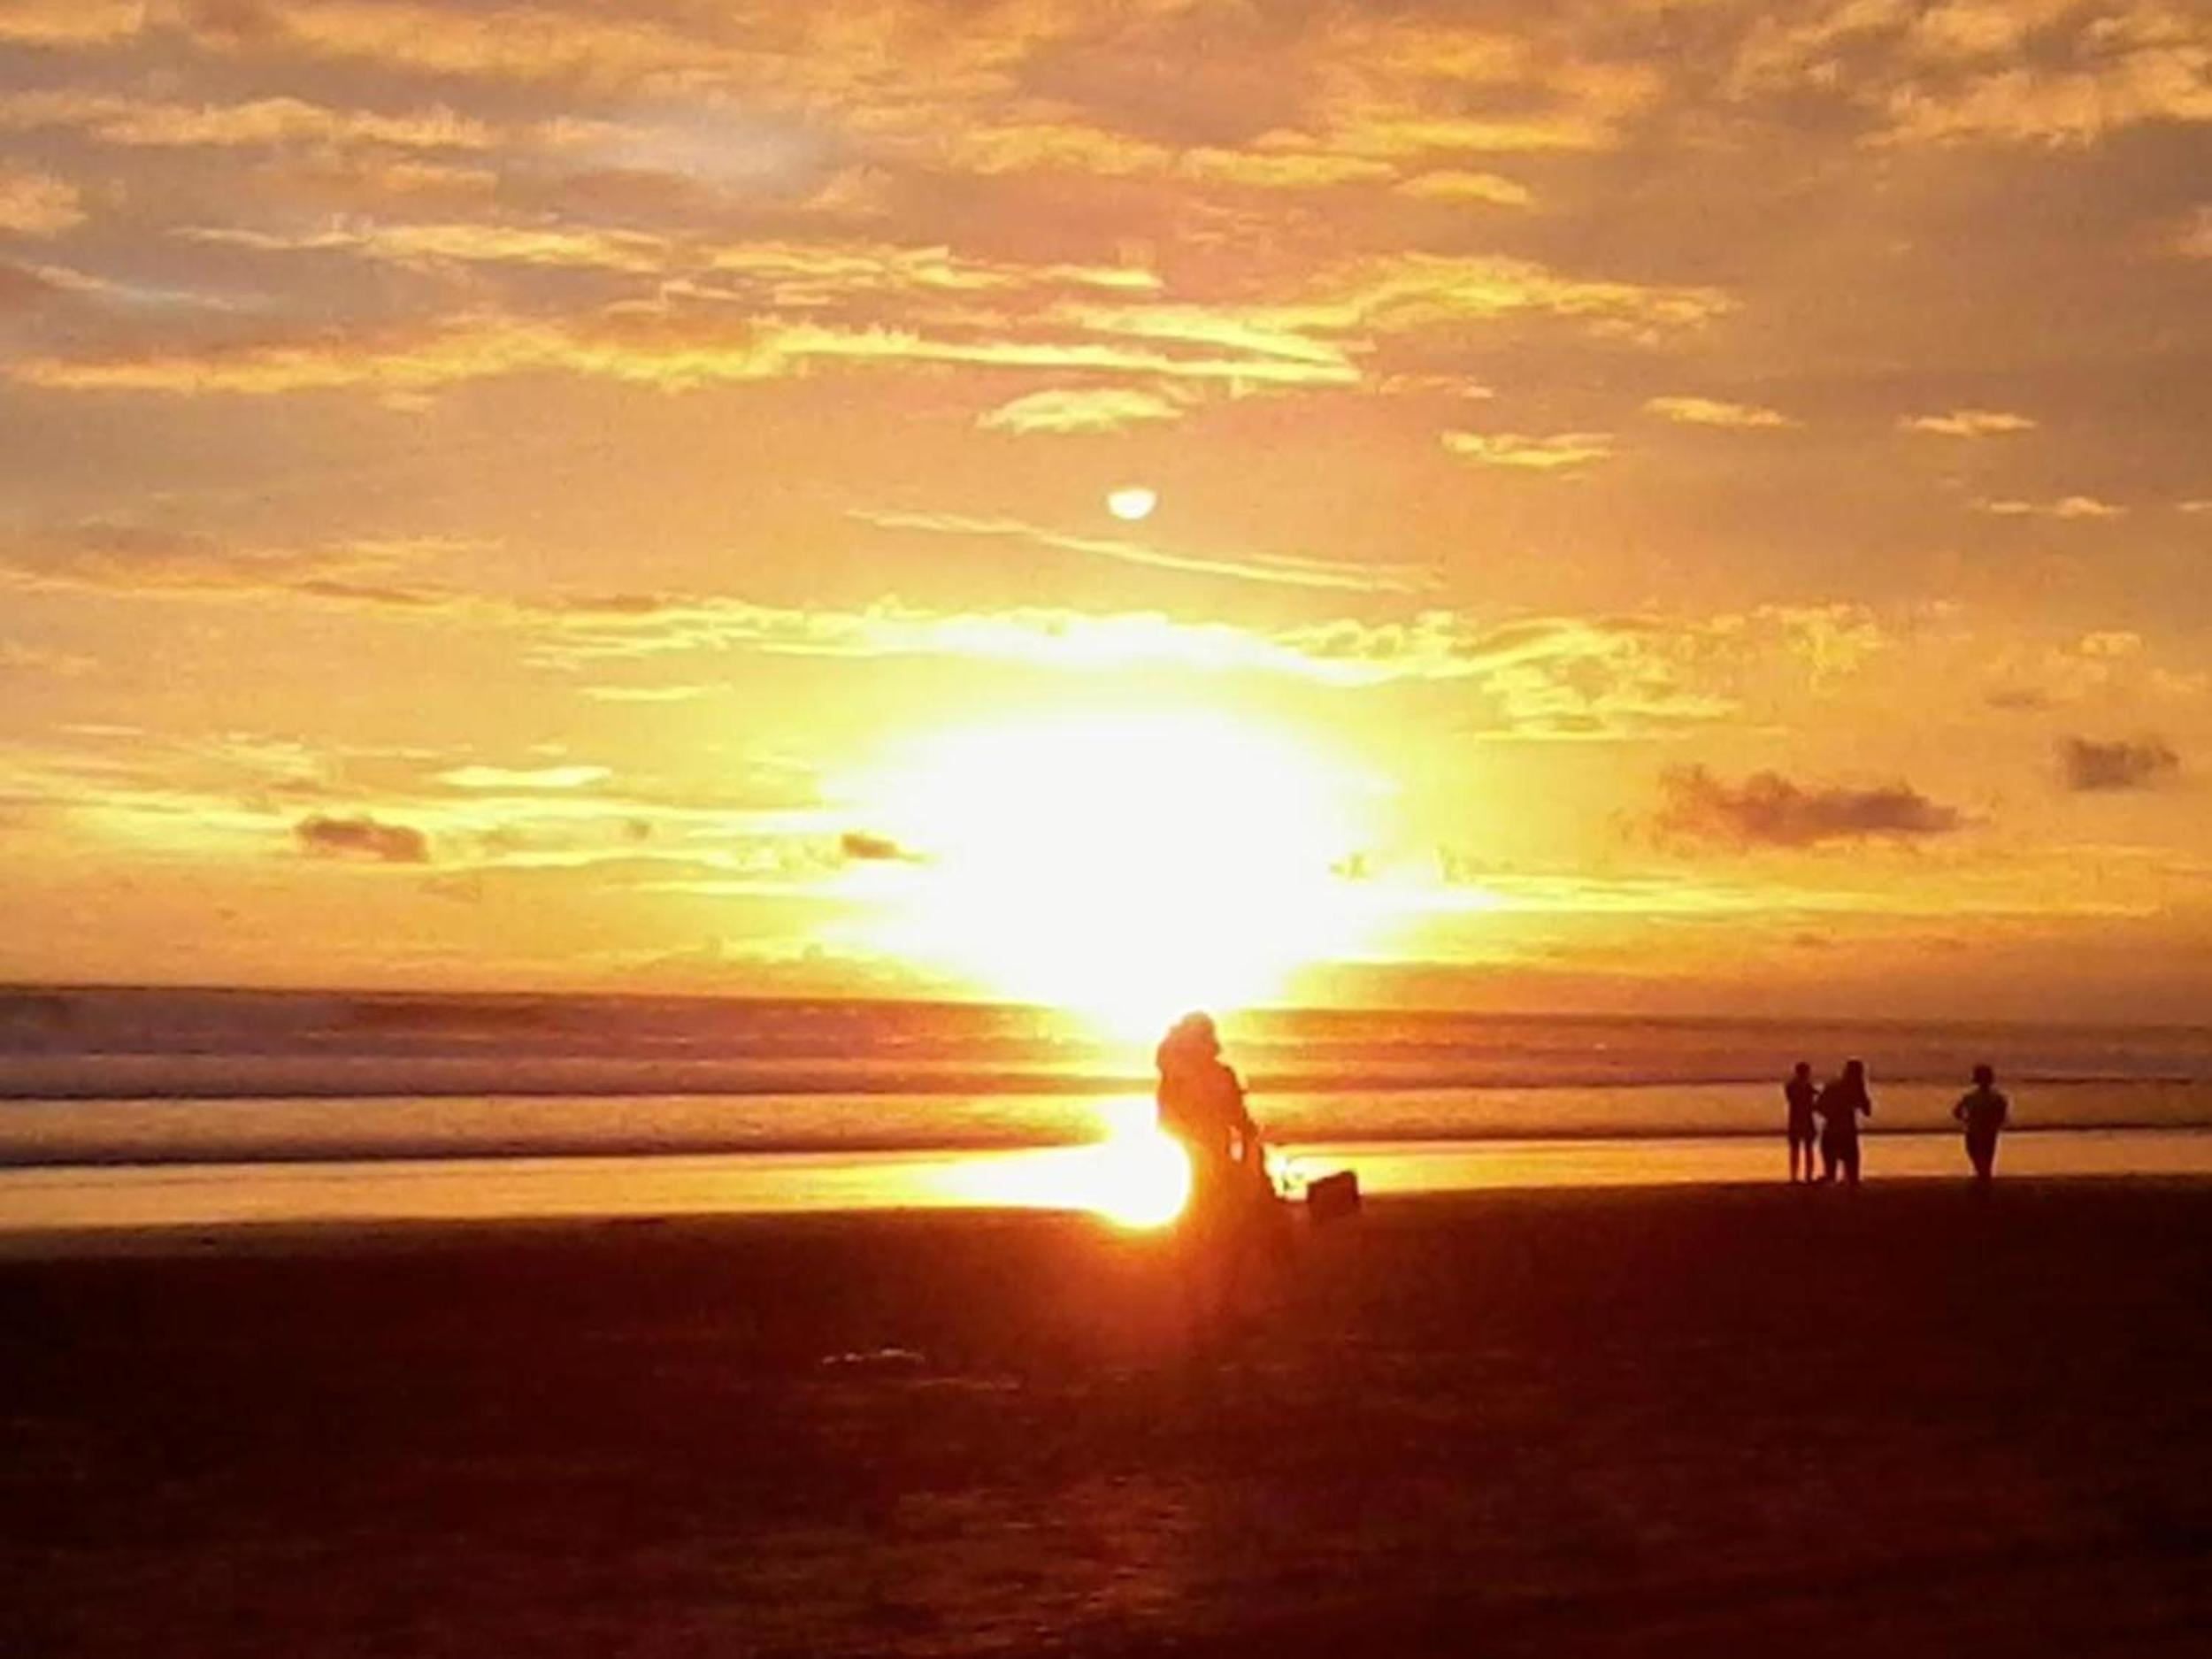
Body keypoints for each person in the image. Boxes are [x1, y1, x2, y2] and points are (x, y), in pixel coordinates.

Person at [1815, 1058, 1872, 1186]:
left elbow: (1818, 1107)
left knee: (1833, 1169)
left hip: (1834, 1128)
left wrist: (1830, 1114)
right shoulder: (1854, 1089)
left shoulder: (1835, 1086)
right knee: (1850, 1170)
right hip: (1846, 1129)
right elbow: (1867, 1111)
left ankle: (1834, 1179)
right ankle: (1842, 1180)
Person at [1954, 1063, 2009, 1187]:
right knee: (1987, 1159)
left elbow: (1957, 1112)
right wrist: (1995, 1124)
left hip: (1974, 1131)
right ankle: (1984, 1181)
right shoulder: (1998, 1098)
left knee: (1977, 1158)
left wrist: (1966, 1121)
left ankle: (1982, 1181)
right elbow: (2002, 1116)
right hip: (1989, 1132)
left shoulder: (1970, 1097)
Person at [1784, 1061, 1819, 1184]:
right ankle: (1805, 1176)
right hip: (1803, 1119)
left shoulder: (1793, 1085)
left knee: (1798, 1148)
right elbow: (1809, 1102)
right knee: (1805, 1149)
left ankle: (1797, 1176)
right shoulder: (1804, 1086)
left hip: (1796, 1119)